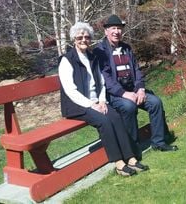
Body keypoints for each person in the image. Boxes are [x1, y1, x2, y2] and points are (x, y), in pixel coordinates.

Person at [58, 21, 149, 177]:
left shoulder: (92, 57)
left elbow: (101, 82)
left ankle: (131, 158)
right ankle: (119, 163)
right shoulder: (67, 60)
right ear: (74, 39)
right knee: (105, 121)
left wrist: (101, 100)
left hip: (97, 102)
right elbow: (70, 91)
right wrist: (91, 104)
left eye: (87, 37)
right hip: (78, 105)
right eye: (80, 37)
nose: (83, 40)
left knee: (116, 117)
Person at [94, 15, 178, 152]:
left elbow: (137, 71)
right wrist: (123, 93)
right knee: (129, 107)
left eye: (119, 28)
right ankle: (132, 148)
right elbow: (105, 78)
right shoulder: (100, 51)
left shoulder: (126, 48)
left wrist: (140, 89)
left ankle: (159, 142)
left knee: (155, 102)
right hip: (114, 94)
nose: (116, 32)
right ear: (106, 31)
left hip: (133, 90)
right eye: (113, 28)